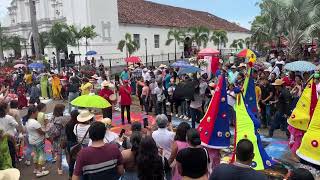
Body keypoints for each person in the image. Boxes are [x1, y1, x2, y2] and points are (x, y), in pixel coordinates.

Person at [25, 106, 50, 177]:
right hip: (38, 140)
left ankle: (36, 169)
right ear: (33, 113)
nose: (37, 113)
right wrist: (46, 130)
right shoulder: (35, 122)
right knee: (41, 155)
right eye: (36, 112)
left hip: (32, 140)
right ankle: (40, 171)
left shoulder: (28, 121)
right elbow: (41, 132)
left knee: (35, 154)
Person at [50, 104, 69, 175]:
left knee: (58, 154)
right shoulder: (63, 119)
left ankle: (59, 169)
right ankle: (70, 167)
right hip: (63, 138)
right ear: (61, 110)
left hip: (56, 138)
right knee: (67, 153)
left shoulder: (52, 117)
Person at [0, 102, 18, 168]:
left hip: (1, 140)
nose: (9, 108)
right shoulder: (8, 117)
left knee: (4, 157)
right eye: (8, 107)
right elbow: (16, 124)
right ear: (5, 108)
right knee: (11, 156)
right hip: (9, 139)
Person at [65, 110, 79, 179]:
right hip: (76, 144)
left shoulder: (68, 124)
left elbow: (66, 134)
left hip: (69, 143)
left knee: (71, 161)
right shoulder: (77, 125)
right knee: (79, 160)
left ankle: (70, 176)